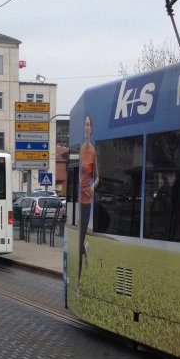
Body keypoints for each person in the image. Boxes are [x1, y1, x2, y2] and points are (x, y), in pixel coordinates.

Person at [78, 113, 98, 283]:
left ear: (91, 129)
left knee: (81, 238)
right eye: (84, 124)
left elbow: (96, 176)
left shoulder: (92, 151)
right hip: (77, 196)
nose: (86, 127)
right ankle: (85, 248)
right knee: (79, 238)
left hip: (86, 198)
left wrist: (92, 186)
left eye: (88, 124)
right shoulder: (79, 149)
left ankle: (78, 281)